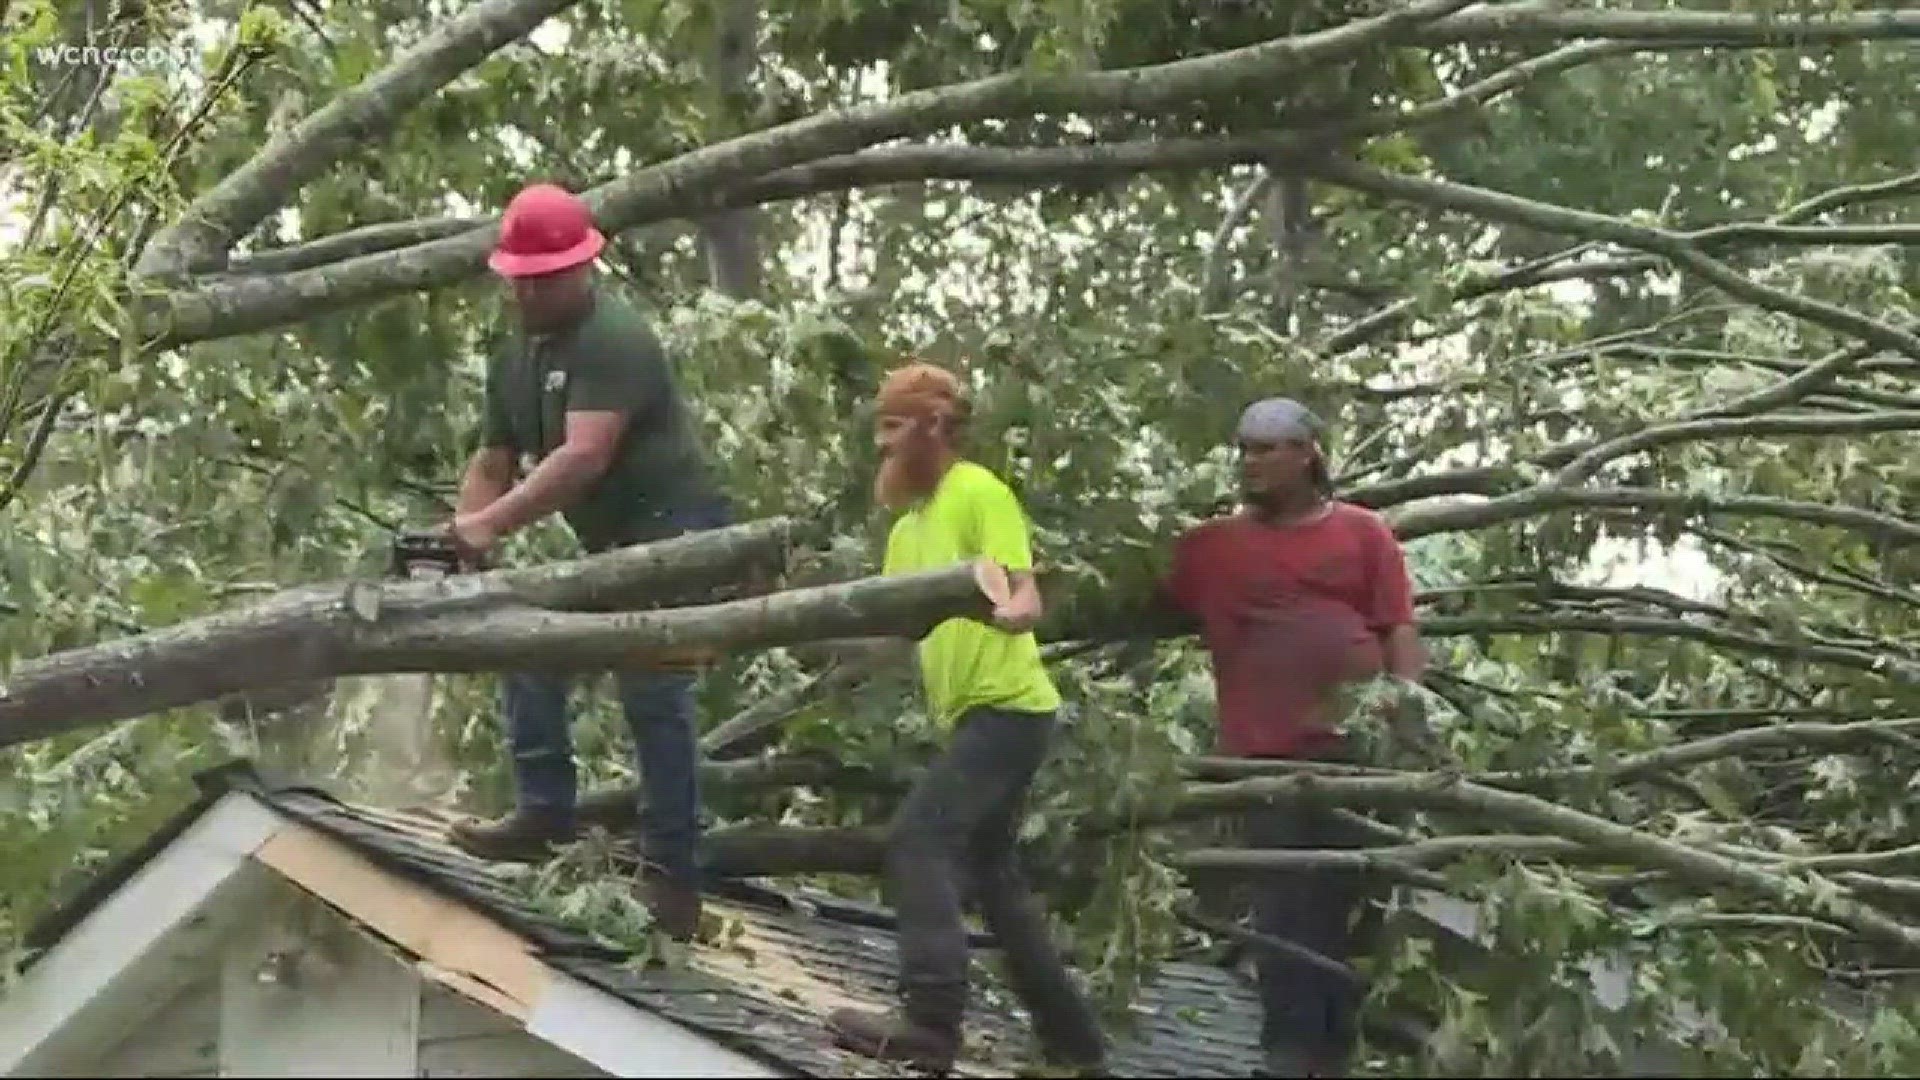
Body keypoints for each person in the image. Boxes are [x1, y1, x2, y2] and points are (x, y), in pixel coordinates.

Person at [443, 182, 731, 942]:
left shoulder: (614, 337)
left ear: (580, 270)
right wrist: (464, 529)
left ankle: (674, 879)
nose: (532, 292)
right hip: (608, 542)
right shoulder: (514, 359)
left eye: (546, 278)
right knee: (528, 639)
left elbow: (582, 456)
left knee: (651, 689)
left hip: (673, 533)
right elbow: (493, 457)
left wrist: (492, 526)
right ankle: (544, 810)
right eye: (522, 279)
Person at [824, 362, 1107, 1075]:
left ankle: (930, 1020)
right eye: (879, 428)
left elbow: (1023, 591)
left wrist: (1015, 613)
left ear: (935, 426)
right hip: (975, 717)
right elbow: (895, 637)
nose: (883, 446)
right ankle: (1076, 1045)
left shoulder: (980, 492)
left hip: (1008, 710)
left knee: (919, 839)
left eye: (894, 428)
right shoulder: (906, 529)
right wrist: (807, 641)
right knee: (995, 878)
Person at [1160, 398, 1433, 1079]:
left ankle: (1331, 1052)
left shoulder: (1364, 533)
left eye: (1267, 448)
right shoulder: (1212, 546)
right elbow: (1127, 591)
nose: (1251, 461)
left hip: (1353, 746)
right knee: (1284, 901)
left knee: (1340, 897)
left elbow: (1397, 625)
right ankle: (1286, 1052)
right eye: (1245, 448)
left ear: (1309, 452)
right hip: (1266, 751)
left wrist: (1407, 709)